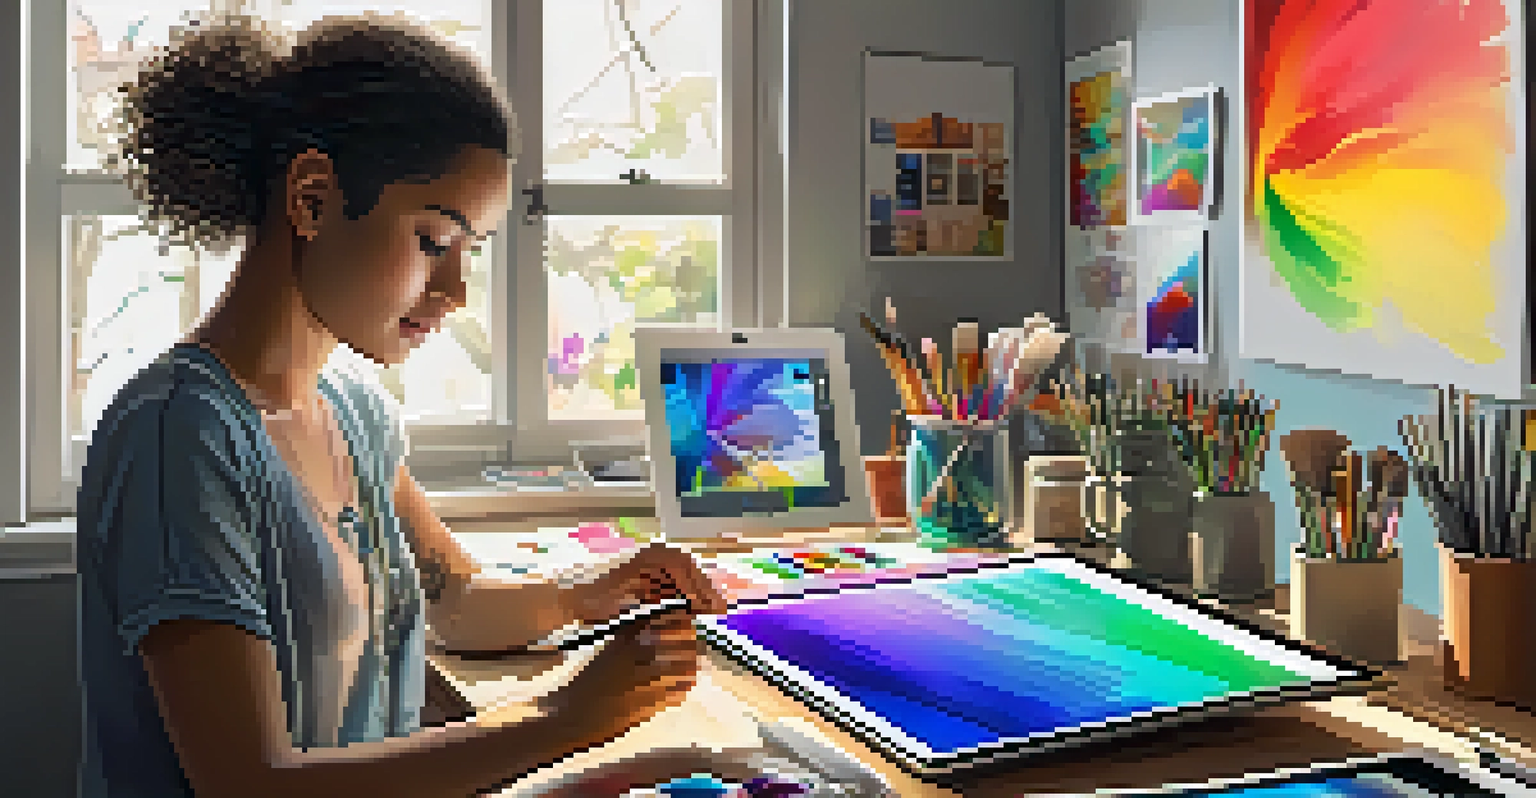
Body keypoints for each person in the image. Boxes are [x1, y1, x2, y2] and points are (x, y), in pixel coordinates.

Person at [75, 11, 755, 797]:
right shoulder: (179, 436)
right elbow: (250, 784)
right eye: (434, 242)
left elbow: (455, 601)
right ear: (312, 199)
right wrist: (560, 717)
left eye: (470, 253)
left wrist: (596, 591)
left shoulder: (351, 407)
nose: (457, 292)